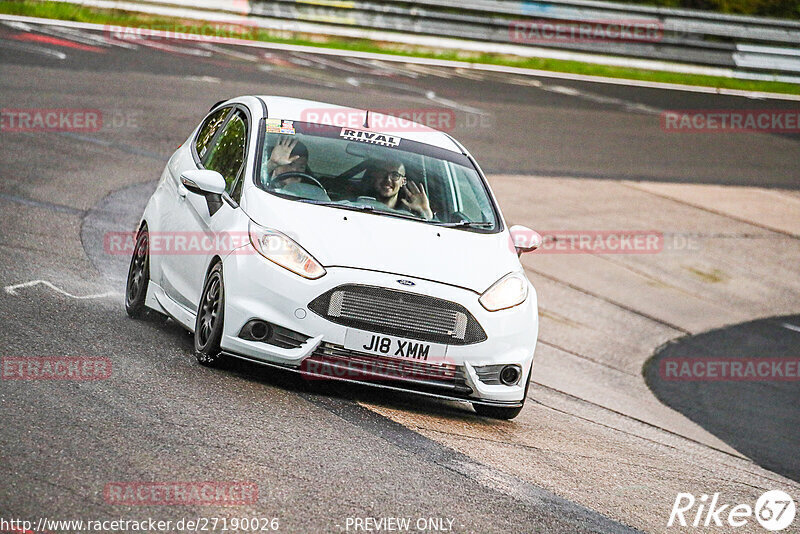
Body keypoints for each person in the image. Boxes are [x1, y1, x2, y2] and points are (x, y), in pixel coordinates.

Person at [363, 159, 433, 220]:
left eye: (395, 175)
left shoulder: (411, 215)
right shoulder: (359, 204)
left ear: (403, 181)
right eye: (382, 173)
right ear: (375, 176)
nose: (388, 179)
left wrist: (425, 212)